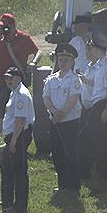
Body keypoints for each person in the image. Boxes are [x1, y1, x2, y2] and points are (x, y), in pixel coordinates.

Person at [0, 13, 38, 151]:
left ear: (13, 26)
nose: (4, 29)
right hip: (0, 79)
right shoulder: (1, 39)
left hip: (14, 80)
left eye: (6, 27)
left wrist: (33, 62)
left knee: (3, 110)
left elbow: (37, 51)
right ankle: (8, 137)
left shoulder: (23, 38)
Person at [77, 40, 107, 187]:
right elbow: (98, 84)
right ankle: (99, 171)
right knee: (97, 139)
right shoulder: (101, 64)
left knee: (89, 138)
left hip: (102, 104)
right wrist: (87, 81)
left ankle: (101, 172)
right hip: (98, 103)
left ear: (96, 48)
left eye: (92, 47)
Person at [42, 44, 83, 196]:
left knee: (70, 152)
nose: (63, 63)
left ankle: (74, 185)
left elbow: (73, 99)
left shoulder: (74, 80)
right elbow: (45, 98)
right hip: (54, 120)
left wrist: (61, 114)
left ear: (72, 62)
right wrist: (53, 112)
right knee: (57, 153)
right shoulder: (51, 79)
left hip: (70, 121)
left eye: (66, 60)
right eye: (60, 59)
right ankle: (62, 184)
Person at [0, 66, 35, 213]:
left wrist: (13, 142)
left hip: (18, 136)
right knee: (6, 167)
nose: (8, 81)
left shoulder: (21, 95)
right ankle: (7, 202)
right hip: (13, 136)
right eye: (6, 78)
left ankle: (20, 206)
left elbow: (20, 120)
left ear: (19, 78)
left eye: (10, 78)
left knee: (19, 171)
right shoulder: (15, 92)